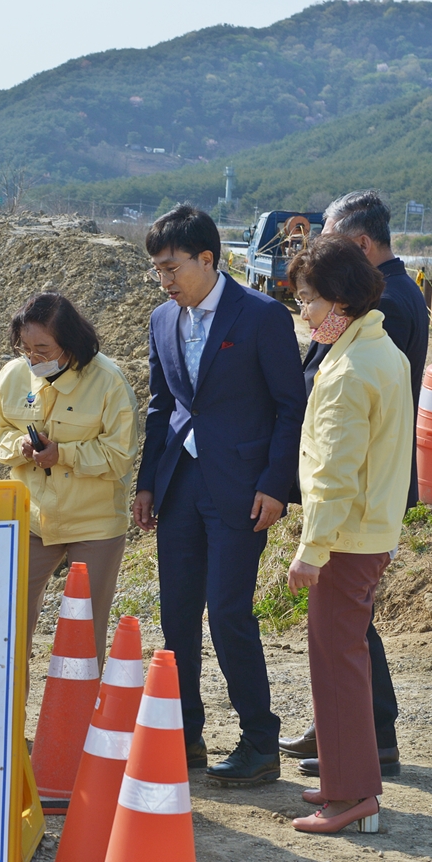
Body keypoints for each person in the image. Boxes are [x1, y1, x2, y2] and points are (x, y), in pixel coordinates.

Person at [134, 204, 307, 784]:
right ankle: (186, 738)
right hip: (181, 485)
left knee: (229, 612)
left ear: (206, 259)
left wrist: (275, 485)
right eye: (157, 270)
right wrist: (147, 482)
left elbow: (290, 408)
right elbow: (163, 406)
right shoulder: (162, 320)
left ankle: (260, 741)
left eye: (172, 267)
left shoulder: (260, 316)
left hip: (241, 490)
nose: (165, 279)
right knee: (177, 614)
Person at [279, 191, 429, 776]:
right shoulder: (375, 342)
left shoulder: (352, 367)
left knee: (341, 655)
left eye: (309, 302)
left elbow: (337, 473)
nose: (306, 315)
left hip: (350, 529)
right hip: (369, 521)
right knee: (346, 650)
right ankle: (351, 758)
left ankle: (354, 779)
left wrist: (310, 550)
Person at [0, 292, 141, 660]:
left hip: (94, 522)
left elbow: (120, 456)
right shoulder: (12, 376)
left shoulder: (108, 382)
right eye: (25, 348)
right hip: (33, 518)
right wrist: (18, 443)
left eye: (43, 349)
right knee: (10, 620)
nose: (34, 359)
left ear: (70, 344)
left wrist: (63, 454)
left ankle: (81, 716)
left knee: (85, 629)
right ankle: (11, 712)